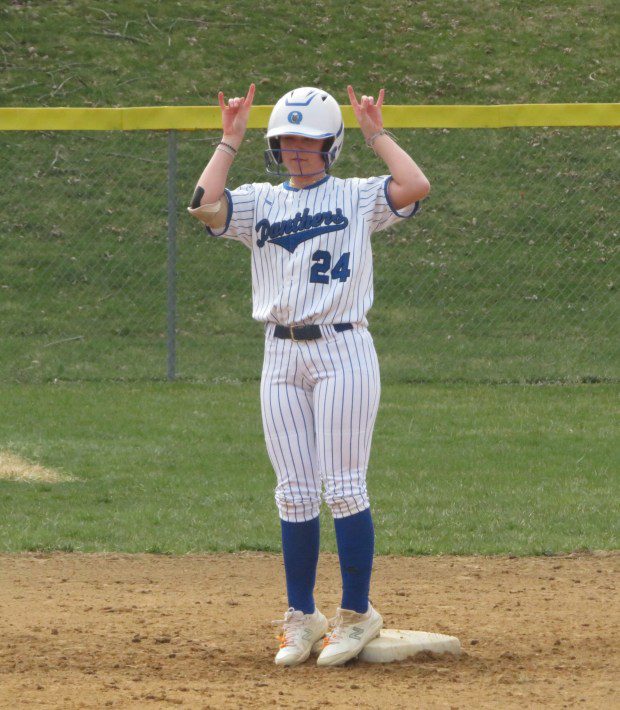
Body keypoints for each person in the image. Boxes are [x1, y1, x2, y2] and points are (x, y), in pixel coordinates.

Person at [188, 84, 430, 667]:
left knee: (343, 487)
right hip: (280, 354)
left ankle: (356, 614)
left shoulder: (355, 195)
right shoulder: (257, 202)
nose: (297, 151)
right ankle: (302, 615)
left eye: (309, 141)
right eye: (287, 141)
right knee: (294, 492)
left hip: (344, 348)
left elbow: (415, 186)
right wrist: (230, 139)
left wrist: (376, 134)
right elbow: (203, 201)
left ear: (331, 146)